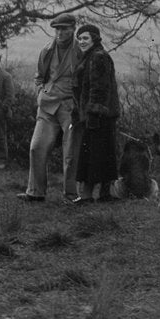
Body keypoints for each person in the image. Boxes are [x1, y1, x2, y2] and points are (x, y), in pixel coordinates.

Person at [17, 13, 80, 203]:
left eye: (64, 29)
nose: (60, 33)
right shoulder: (46, 50)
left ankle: (71, 195)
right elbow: (39, 76)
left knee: (71, 153)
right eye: (57, 29)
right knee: (37, 147)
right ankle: (35, 192)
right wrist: (40, 92)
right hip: (47, 106)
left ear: (73, 29)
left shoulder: (81, 50)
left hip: (71, 107)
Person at [70, 24, 120, 204]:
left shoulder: (98, 57)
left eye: (85, 38)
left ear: (95, 39)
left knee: (94, 155)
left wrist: (93, 113)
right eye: (80, 38)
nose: (81, 42)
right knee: (100, 154)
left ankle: (89, 196)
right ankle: (102, 195)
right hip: (94, 115)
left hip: (98, 116)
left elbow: (99, 89)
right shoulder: (89, 56)